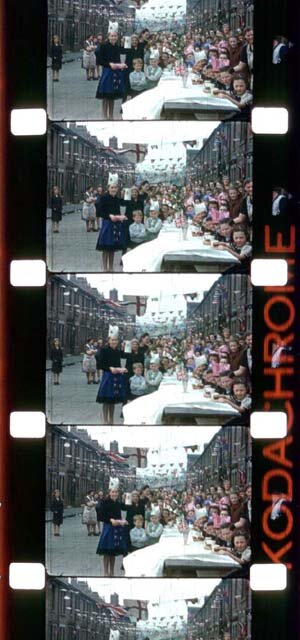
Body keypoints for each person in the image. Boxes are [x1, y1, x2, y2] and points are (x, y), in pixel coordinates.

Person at [96, 334, 128, 425]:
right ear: (109, 341)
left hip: (116, 376)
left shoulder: (117, 351)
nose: (114, 342)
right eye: (112, 340)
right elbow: (99, 364)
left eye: (116, 340)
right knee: (106, 400)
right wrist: (110, 368)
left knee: (112, 400)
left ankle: (111, 420)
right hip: (107, 376)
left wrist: (120, 369)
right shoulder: (103, 350)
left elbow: (124, 357)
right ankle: (105, 421)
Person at [96, 487, 128, 576]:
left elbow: (125, 508)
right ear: (109, 493)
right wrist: (110, 520)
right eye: (112, 492)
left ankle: (112, 572)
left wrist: (121, 522)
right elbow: (100, 516)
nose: (114, 494)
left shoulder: (117, 503)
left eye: (116, 492)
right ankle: (106, 572)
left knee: (113, 552)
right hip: (108, 528)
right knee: (106, 551)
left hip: (116, 528)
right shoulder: (105, 502)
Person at [95, 31, 127, 119]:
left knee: (112, 95)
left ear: (117, 37)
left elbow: (124, 52)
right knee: (106, 95)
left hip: (115, 72)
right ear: (108, 37)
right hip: (107, 72)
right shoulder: (103, 46)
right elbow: (99, 61)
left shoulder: (117, 47)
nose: (113, 38)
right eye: (112, 36)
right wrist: (109, 64)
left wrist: (124, 43)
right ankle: (105, 115)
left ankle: (111, 116)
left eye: (115, 36)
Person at [95, 183, 127, 272]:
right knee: (105, 247)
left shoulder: (116, 199)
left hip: (115, 224)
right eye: (112, 188)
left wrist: (120, 217)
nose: (113, 189)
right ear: (108, 189)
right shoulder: (104, 198)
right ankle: (105, 268)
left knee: (112, 247)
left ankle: (111, 268)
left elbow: (118, 211)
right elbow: (99, 212)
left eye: (115, 188)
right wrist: (109, 216)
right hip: (107, 224)